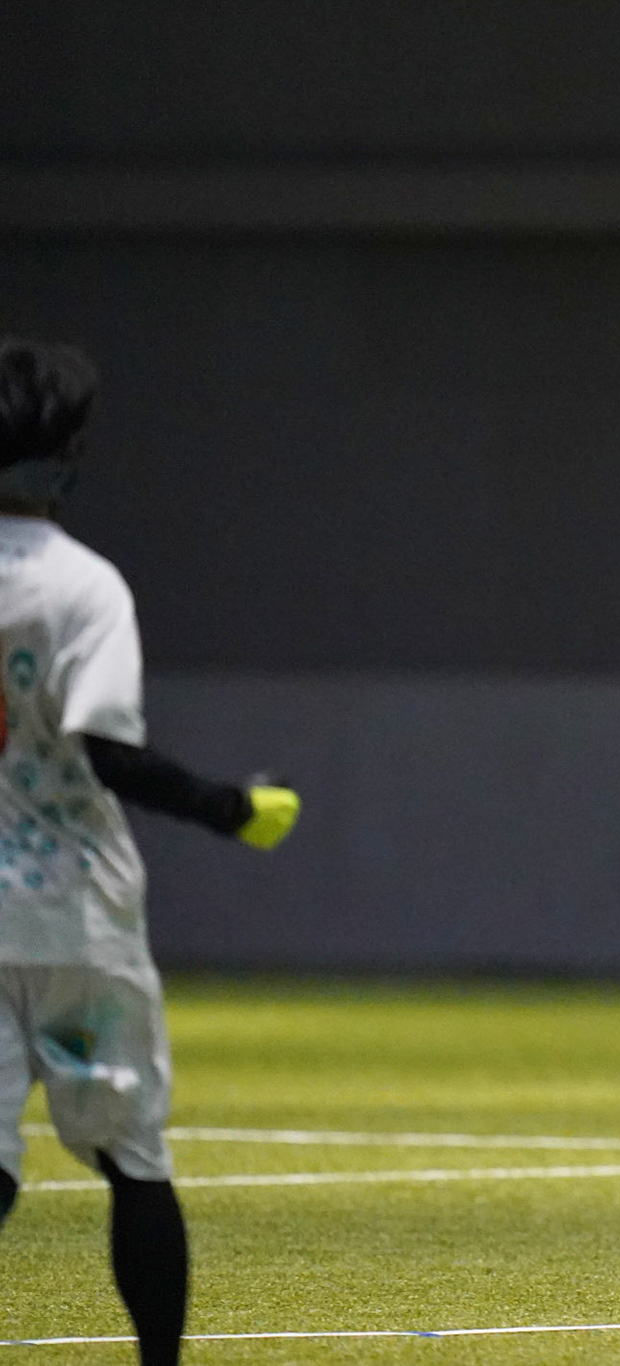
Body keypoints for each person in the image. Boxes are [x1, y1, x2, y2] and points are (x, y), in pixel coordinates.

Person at [0, 337, 302, 1366]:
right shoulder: (83, 589)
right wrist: (230, 808)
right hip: (76, 916)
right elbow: (108, 753)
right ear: (67, 454)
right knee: (133, 1160)